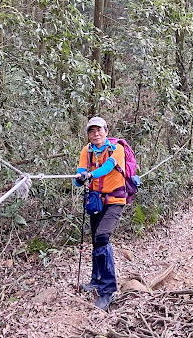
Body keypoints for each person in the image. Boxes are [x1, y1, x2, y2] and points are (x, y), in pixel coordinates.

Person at [74, 116, 127, 311]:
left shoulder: (117, 149)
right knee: (96, 240)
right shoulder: (86, 151)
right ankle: (96, 280)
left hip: (115, 200)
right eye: (91, 131)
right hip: (96, 200)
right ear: (88, 134)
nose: (96, 134)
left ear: (106, 131)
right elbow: (79, 173)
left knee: (102, 237)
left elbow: (107, 168)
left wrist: (89, 175)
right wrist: (80, 179)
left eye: (99, 130)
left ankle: (108, 290)